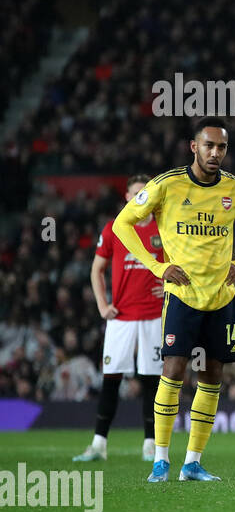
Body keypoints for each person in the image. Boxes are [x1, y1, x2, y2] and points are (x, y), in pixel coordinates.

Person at [113, 118, 235, 482]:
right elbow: (123, 223)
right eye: (209, 145)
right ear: (193, 147)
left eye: (222, 147)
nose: (216, 153)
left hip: (221, 297)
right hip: (181, 296)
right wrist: (155, 266)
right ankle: (161, 460)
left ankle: (193, 462)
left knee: (212, 376)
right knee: (173, 372)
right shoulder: (167, 185)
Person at [74, 174, 166, 462]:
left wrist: (169, 285)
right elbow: (96, 269)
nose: (141, 199)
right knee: (111, 379)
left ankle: (151, 445)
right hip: (122, 317)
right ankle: (99, 445)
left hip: (153, 316)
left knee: (152, 380)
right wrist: (103, 305)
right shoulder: (114, 228)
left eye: (145, 194)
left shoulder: (162, 228)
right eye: (136, 194)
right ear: (127, 197)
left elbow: (180, 263)